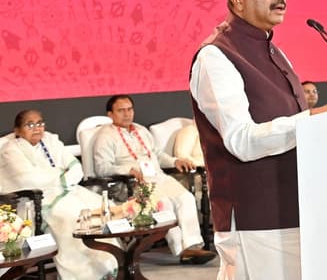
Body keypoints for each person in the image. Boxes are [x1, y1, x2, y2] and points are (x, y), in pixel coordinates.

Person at [189, 0, 327, 279]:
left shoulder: (274, 51)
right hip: (255, 218)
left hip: (297, 205)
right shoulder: (216, 56)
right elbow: (241, 141)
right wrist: (316, 119)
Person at [93, 95, 215, 264]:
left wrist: (175, 161)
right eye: (121, 110)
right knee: (163, 203)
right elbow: (102, 168)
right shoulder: (105, 136)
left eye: (129, 109)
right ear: (110, 114)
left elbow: (157, 154)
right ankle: (181, 251)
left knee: (185, 197)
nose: (127, 114)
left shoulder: (141, 130)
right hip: (131, 183)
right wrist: (128, 170)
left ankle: (193, 246)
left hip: (157, 176)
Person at [0, 110, 118, 279]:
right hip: (37, 201)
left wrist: (60, 179)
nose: (37, 128)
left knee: (101, 209)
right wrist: (61, 174)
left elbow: (76, 167)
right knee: (72, 218)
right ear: (17, 130)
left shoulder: (50, 141)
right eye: (30, 124)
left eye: (40, 123)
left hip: (67, 191)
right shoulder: (10, 149)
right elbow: (28, 179)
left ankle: (106, 267)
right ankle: (84, 275)